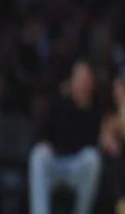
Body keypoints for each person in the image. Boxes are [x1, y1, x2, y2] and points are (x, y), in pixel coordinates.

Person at [28, 60, 103, 214]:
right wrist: (45, 144)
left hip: (77, 169)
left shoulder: (98, 110)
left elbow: (99, 144)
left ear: (92, 83)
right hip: (56, 165)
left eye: (86, 79)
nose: (82, 84)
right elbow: (40, 135)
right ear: (71, 81)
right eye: (79, 78)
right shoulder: (58, 104)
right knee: (38, 155)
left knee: (93, 158)